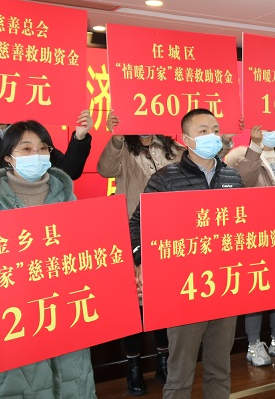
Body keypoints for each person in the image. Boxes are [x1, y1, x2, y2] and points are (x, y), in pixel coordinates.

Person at [0, 120, 96, 399]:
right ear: (8, 157)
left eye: (43, 148)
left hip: (64, 325)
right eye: (26, 149)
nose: (37, 155)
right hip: (9, 335)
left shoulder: (68, 201)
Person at [128, 109, 244, 399]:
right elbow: (137, 225)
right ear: (185, 139)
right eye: (203, 131)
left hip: (225, 285)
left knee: (220, 370)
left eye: (215, 130)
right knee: (180, 375)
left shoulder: (232, 176)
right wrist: (142, 260)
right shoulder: (165, 179)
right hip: (184, 291)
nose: (211, 136)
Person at [97, 112, 184, 394]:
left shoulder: (171, 147)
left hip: (168, 233)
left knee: (163, 300)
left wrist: (225, 140)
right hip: (132, 231)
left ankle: (163, 360)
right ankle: (133, 365)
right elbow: (105, 169)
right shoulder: (124, 146)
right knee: (134, 301)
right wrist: (117, 137)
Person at [224, 125, 275, 366]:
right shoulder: (241, 157)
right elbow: (244, 181)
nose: (274, 132)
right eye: (267, 127)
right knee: (256, 288)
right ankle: (253, 343)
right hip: (255, 234)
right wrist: (255, 147)